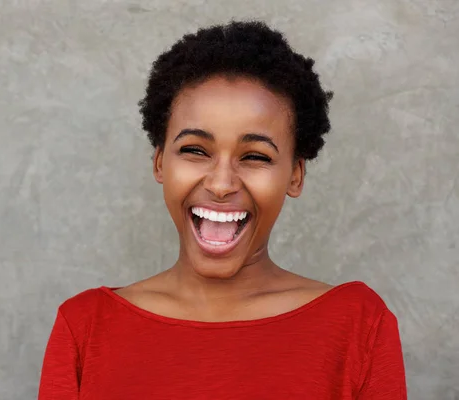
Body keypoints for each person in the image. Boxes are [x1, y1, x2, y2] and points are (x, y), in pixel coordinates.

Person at [38, 20, 407, 399]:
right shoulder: (85, 328)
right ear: (160, 163)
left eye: (255, 156)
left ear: (295, 176)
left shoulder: (358, 326)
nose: (220, 183)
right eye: (195, 150)